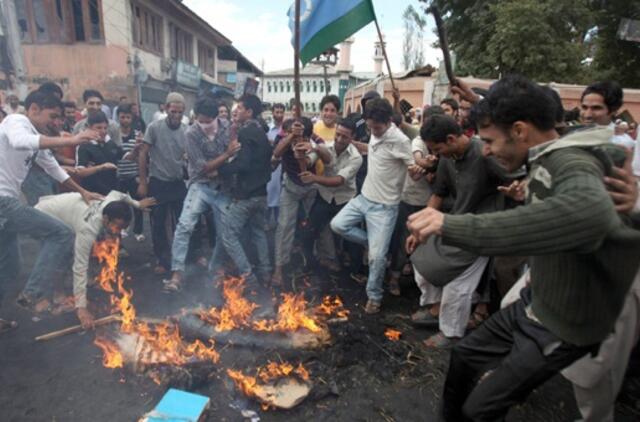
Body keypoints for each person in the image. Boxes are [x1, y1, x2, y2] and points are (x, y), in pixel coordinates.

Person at [406, 75, 640, 421]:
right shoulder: (545, 155)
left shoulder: (572, 160)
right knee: (464, 356)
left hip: (565, 319)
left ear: (519, 131)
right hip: (538, 296)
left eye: (488, 141)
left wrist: (451, 225)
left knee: (481, 409)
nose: (484, 151)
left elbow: (588, 216)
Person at [0, 90, 101, 331]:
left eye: (58, 118)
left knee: (11, 265)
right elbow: (20, 142)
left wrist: (82, 192)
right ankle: (33, 295)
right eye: (52, 116)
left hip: (7, 204)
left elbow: (54, 168)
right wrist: (70, 140)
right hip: (3, 202)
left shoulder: (37, 136)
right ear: (33, 109)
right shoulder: (17, 122)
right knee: (62, 233)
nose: (56, 123)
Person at [410, 114, 512, 347]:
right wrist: (419, 227)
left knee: (459, 285)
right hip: (452, 222)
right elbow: (439, 193)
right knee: (421, 258)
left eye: (437, 149)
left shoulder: (484, 154)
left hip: (481, 230)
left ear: (451, 138)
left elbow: (516, 179)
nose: (435, 156)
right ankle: (436, 309)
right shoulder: (447, 157)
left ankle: (451, 333)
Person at [330, 98, 415, 314]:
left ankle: (374, 296)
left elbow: (412, 166)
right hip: (363, 198)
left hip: (384, 208)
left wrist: (419, 168)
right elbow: (377, 149)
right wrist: (363, 146)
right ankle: (376, 246)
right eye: (369, 127)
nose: (373, 131)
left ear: (387, 122)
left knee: (376, 258)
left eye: (376, 128)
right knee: (338, 225)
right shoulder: (376, 133)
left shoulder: (400, 141)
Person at [35, 191, 155, 328]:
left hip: (68, 210)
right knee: (61, 255)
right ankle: (58, 294)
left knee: (96, 243)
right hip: (44, 216)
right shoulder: (87, 230)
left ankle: (89, 280)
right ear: (105, 219)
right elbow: (79, 267)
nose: (117, 232)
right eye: (116, 227)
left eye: (122, 228)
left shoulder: (111, 202)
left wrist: (137, 204)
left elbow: (118, 193)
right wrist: (81, 308)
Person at [164, 96, 236, 291]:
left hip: (223, 187)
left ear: (216, 118)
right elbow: (203, 167)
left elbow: (235, 156)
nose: (203, 125)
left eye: (207, 121)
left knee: (225, 233)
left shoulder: (228, 127)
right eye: (200, 120)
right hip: (200, 185)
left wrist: (221, 165)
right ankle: (177, 274)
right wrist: (225, 156)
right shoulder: (191, 133)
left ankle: (216, 268)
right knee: (184, 226)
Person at [217, 94, 273, 286]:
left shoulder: (246, 132)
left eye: (240, 108)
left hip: (246, 195)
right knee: (258, 233)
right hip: (261, 194)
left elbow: (244, 164)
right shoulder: (261, 131)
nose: (236, 111)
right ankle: (266, 272)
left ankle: (247, 274)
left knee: (228, 233)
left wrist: (221, 169)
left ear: (249, 112)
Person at [271, 117, 331, 286]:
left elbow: (326, 157)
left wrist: (309, 151)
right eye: (293, 134)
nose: (298, 139)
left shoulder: (315, 140)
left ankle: (314, 260)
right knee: (284, 227)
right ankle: (279, 268)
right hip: (290, 188)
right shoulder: (283, 137)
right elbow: (276, 153)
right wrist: (291, 137)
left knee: (313, 225)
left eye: (301, 136)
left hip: (310, 188)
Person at [299, 117, 363, 272]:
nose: (340, 139)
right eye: (338, 134)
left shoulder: (356, 157)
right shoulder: (325, 147)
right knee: (309, 230)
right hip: (324, 196)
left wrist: (314, 178)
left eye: (345, 136)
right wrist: (301, 154)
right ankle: (310, 262)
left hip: (345, 200)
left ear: (352, 137)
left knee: (350, 238)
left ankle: (356, 270)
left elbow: (338, 181)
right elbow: (308, 162)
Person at [138, 92, 188, 274]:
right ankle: (161, 259)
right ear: (166, 109)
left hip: (177, 182)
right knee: (157, 223)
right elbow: (143, 153)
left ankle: (182, 258)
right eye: (173, 111)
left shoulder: (186, 131)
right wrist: (143, 182)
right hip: (158, 182)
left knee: (183, 222)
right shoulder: (154, 128)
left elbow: (188, 155)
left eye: (180, 112)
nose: (176, 116)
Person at [76, 111, 131, 196]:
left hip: (112, 192)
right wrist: (101, 167)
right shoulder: (84, 146)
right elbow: (80, 172)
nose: (103, 131)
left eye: (105, 128)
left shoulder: (110, 144)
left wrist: (137, 149)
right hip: (93, 193)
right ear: (89, 128)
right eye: (99, 128)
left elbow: (127, 156)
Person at [116, 104, 145, 241]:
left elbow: (141, 156)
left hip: (133, 175)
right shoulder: (114, 135)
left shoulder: (137, 135)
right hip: (119, 176)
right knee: (121, 206)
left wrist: (140, 176)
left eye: (128, 117)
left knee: (138, 205)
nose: (125, 120)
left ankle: (138, 231)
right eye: (123, 117)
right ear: (118, 117)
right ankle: (122, 229)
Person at [266, 103, 286, 228]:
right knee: (269, 193)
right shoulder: (267, 129)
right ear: (272, 113)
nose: (279, 115)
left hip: (282, 167)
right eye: (276, 112)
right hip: (270, 166)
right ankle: (267, 221)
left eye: (281, 112)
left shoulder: (286, 130)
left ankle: (279, 223)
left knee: (281, 195)